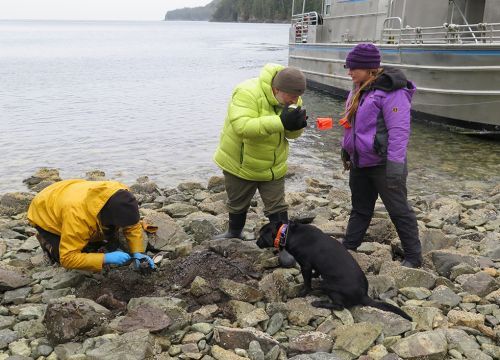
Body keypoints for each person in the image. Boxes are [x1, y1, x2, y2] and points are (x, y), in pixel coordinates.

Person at [213, 63, 308, 267]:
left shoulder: (292, 96)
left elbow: (290, 133)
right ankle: (234, 232)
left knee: (277, 207)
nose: (295, 101)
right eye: (291, 97)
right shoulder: (246, 92)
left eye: (297, 97)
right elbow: (242, 127)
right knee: (237, 203)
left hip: (272, 165)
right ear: (276, 89)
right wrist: (281, 121)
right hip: (240, 162)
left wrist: (296, 126)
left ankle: (283, 247)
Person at [340, 43, 422, 268]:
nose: (349, 72)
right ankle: (349, 246)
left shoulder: (392, 92)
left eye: (353, 67)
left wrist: (396, 167)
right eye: (348, 66)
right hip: (360, 161)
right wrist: (346, 149)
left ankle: (414, 257)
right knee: (360, 208)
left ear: (369, 69)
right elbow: (352, 125)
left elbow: (399, 131)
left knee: (398, 210)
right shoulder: (358, 87)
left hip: (384, 163)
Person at [27, 179, 155, 272]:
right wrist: (104, 258)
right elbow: (68, 258)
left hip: (68, 191)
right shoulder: (78, 217)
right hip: (44, 209)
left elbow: (132, 226)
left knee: (101, 241)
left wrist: (138, 252)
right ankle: (46, 241)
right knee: (62, 257)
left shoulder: (122, 193)